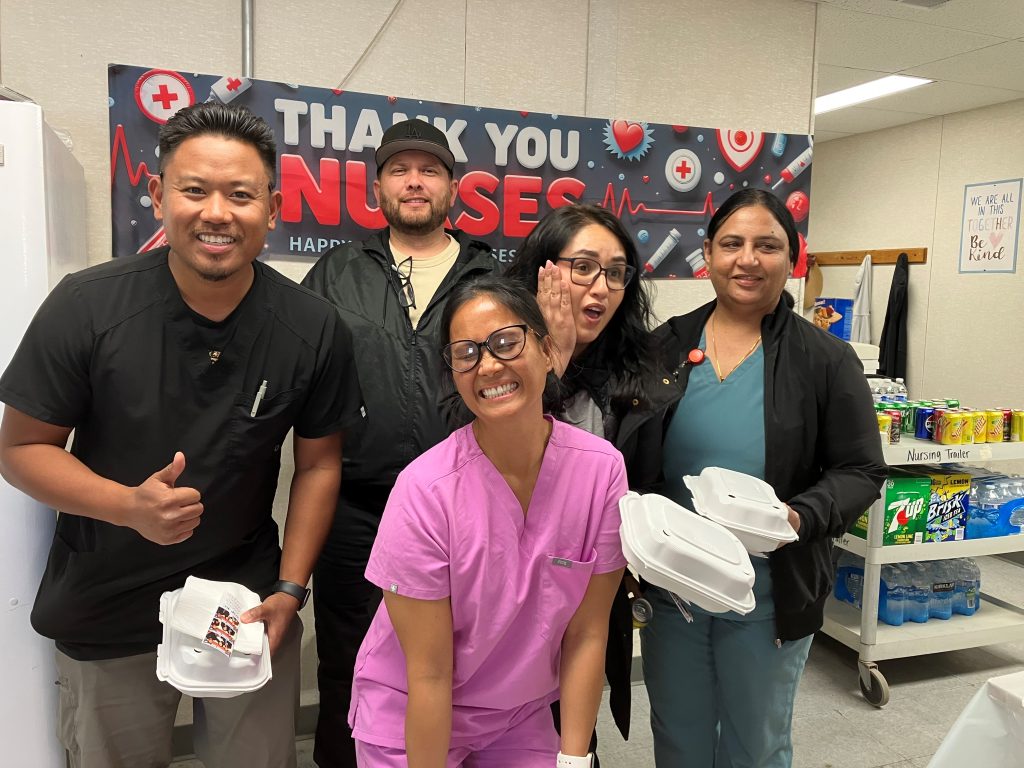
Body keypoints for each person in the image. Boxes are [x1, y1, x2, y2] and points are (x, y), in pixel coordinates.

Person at [0, 102, 363, 768]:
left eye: (241, 194)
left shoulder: (312, 328)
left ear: (274, 208)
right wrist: (127, 506)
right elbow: (21, 449)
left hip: (242, 602)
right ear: (158, 194)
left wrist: (290, 590)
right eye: (194, 190)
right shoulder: (87, 305)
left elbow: (318, 465)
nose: (216, 212)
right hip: (107, 601)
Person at [638, 188, 887, 767]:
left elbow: (861, 469)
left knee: (755, 743)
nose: (747, 259)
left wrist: (801, 516)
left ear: (792, 259)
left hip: (770, 592)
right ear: (707, 253)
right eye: (732, 244)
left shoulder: (824, 360)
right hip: (674, 588)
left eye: (767, 246)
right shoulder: (664, 347)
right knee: (678, 735)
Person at [349, 277, 627, 767]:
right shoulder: (426, 490)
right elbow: (429, 674)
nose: (489, 365)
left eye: (506, 342)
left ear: (548, 350)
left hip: (518, 714)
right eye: (467, 353)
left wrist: (575, 760)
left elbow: (587, 633)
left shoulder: (601, 471)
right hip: (412, 711)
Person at [301, 118, 497, 767]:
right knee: (349, 664)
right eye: (400, 170)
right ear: (378, 186)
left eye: (429, 170)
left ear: (452, 187)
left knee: (460, 661)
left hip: (464, 509)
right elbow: (298, 366)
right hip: (355, 509)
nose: (415, 182)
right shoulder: (337, 272)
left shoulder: (487, 275)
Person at [504, 203, 673, 760]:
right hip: (503, 593)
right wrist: (548, 357)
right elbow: (479, 450)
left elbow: (640, 487)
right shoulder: (494, 348)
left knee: (573, 737)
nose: (601, 288)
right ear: (543, 270)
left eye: (616, 273)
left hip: (587, 598)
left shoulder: (634, 372)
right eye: (583, 268)